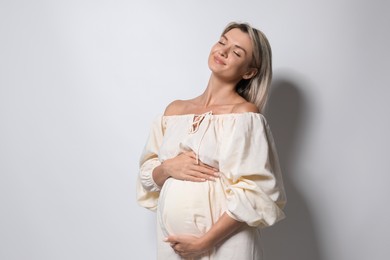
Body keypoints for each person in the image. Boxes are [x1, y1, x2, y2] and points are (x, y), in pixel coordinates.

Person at [136, 21, 286, 260]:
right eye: (222, 42)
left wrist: (203, 243)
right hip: (172, 244)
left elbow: (256, 192)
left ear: (249, 72)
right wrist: (167, 168)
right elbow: (146, 174)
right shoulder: (174, 111)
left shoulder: (244, 115)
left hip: (225, 245)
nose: (223, 52)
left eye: (237, 52)